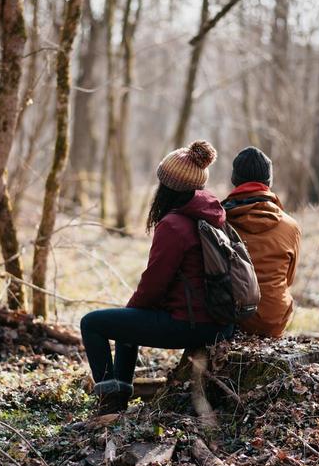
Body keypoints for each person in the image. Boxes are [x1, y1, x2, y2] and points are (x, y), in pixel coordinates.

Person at [80, 140, 234, 415]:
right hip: (219, 322)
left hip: (189, 324)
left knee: (92, 323)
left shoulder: (173, 225)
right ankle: (118, 397)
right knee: (128, 321)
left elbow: (154, 285)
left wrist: (131, 311)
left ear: (167, 187)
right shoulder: (212, 214)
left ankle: (110, 403)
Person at [222, 146, 301, 338]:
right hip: (274, 322)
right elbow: (289, 279)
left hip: (230, 320)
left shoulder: (220, 221)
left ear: (234, 179)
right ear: (269, 182)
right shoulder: (290, 226)